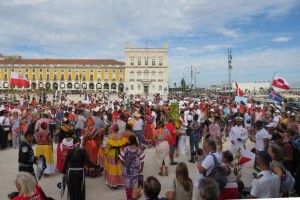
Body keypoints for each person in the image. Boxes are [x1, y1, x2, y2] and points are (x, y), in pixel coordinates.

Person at [119, 135, 145, 200]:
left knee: (127, 188)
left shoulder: (126, 149)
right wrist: (141, 168)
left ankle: (129, 198)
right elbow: (142, 161)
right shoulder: (139, 150)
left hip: (126, 171)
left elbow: (120, 159)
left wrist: (124, 164)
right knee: (135, 186)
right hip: (136, 172)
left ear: (130, 141)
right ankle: (134, 197)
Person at [103, 123, 127, 188]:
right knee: (119, 165)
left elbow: (109, 147)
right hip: (120, 152)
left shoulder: (110, 136)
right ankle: (120, 181)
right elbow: (124, 144)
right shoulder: (121, 135)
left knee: (112, 166)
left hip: (112, 153)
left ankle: (113, 182)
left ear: (112, 129)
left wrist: (104, 148)